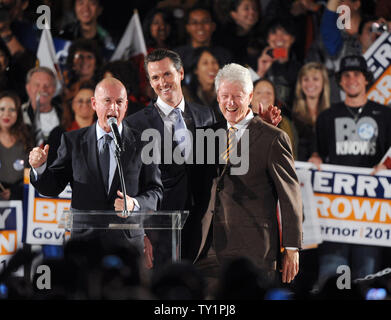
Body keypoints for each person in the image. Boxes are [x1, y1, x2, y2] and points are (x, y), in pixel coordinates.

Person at [194, 63, 303, 296]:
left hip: (255, 249)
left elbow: (290, 195)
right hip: (208, 249)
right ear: (217, 96)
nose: (230, 102)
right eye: (224, 96)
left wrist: (292, 247)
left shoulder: (273, 138)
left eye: (237, 96)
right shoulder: (207, 135)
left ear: (250, 96)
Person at [28, 77, 163, 262]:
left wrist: (134, 204)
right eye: (107, 101)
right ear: (94, 103)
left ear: (126, 106)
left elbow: (155, 191)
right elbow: (52, 187)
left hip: (127, 245)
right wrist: (40, 168)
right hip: (84, 243)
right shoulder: (73, 141)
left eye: (119, 102)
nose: (113, 108)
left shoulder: (144, 143)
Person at [125, 48, 216, 266]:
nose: (162, 82)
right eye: (155, 77)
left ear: (181, 73)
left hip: (201, 226)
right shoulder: (135, 124)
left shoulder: (206, 115)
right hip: (160, 228)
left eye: (167, 74)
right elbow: (131, 185)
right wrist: (140, 234)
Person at [308, 54, 391, 287]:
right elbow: (317, 153)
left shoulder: (386, 115)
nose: (352, 79)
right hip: (335, 215)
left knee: (366, 278)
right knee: (330, 279)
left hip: (371, 214)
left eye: (357, 74)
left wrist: (385, 165)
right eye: (346, 75)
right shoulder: (327, 117)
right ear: (340, 81)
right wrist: (314, 158)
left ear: (366, 79)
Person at [22, 66, 63, 165]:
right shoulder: (18, 115)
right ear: (28, 88)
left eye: (47, 85)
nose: (42, 89)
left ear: (54, 89)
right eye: (37, 85)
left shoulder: (66, 115)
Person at [174, 5, 232, 74]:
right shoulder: (177, 56)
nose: (200, 26)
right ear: (187, 28)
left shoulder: (224, 55)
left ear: (213, 26)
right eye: (194, 22)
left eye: (205, 21)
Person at [251, 77, 298, 159]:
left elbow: (291, 156)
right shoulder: (239, 121)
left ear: (274, 98)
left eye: (269, 93)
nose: (264, 96)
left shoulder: (285, 124)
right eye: (259, 92)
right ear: (250, 97)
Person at [292, 62, 330, 161]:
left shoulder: (332, 116)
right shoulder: (292, 116)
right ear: (300, 84)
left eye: (315, 79)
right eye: (306, 79)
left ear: (324, 83)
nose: (310, 84)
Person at [0, 90, 32, 200]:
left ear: (18, 113)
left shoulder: (27, 138)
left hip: (20, 200)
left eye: (12, 109)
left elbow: (30, 174)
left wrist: (16, 192)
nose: (6, 114)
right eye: (2, 109)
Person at [182, 46, 224, 122]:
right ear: (195, 69)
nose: (211, 67)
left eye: (214, 62)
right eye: (205, 63)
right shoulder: (185, 93)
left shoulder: (226, 91)